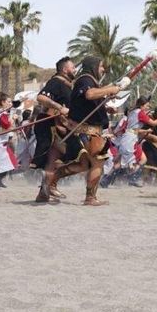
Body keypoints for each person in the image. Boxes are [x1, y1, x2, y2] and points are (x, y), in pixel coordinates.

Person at [48, 55, 120, 206]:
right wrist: (110, 89)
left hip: (89, 131)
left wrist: (106, 106)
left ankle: (51, 181)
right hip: (87, 132)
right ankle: (90, 198)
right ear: (94, 67)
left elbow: (88, 103)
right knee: (97, 163)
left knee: (83, 165)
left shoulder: (89, 81)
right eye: (101, 66)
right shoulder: (85, 79)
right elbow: (90, 94)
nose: (102, 69)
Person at [31, 56, 77, 204]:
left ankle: (44, 192)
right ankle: (50, 186)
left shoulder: (66, 84)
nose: (75, 69)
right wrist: (59, 108)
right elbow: (41, 97)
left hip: (59, 125)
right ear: (65, 69)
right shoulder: (56, 81)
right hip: (49, 125)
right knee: (65, 154)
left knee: (54, 158)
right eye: (73, 67)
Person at [0, 92, 21, 189]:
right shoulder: (2, 112)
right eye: (8, 102)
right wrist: (13, 119)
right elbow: (6, 126)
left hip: (1, 139)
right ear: (3, 102)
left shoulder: (5, 112)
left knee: (9, 161)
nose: (10, 104)